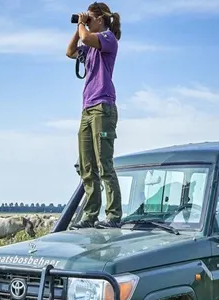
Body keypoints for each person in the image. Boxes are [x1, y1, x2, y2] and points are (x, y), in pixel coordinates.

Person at [66, 3, 123, 229]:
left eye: (90, 18)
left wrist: (83, 25)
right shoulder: (88, 44)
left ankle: (113, 215)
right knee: (87, 165)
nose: (87, 21)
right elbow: (70, 52)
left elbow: (87, 38)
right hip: (87, 108)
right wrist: (78, 27)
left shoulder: (108, 39)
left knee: (104, 163)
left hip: (103, 106)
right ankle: (90, 215)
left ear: (100, 19)